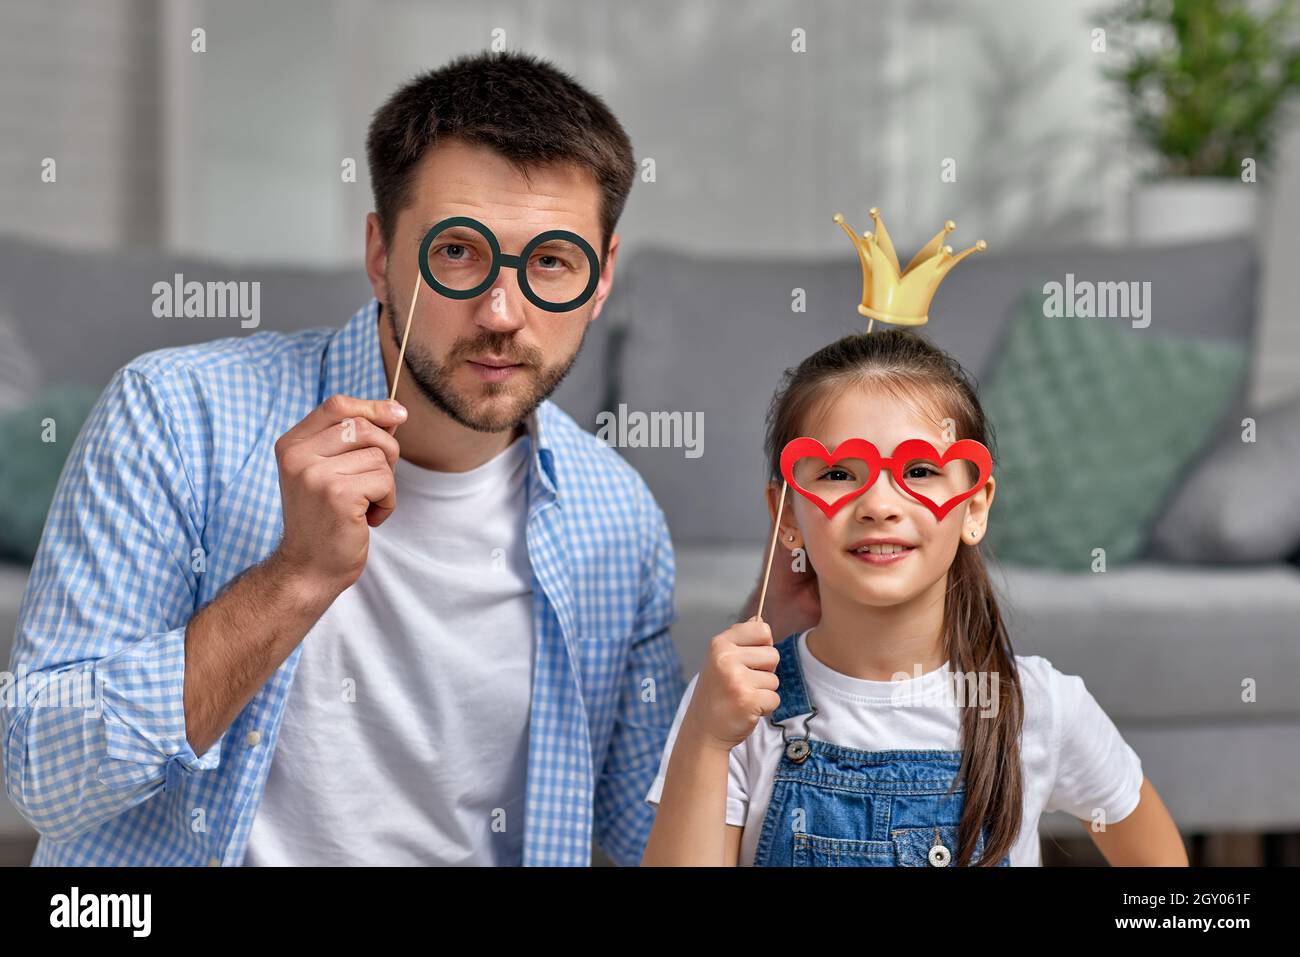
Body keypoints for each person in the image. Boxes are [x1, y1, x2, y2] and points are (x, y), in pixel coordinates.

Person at [3, 50, 805, 867]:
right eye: (458, 252)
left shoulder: (616, 515)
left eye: (552, 262)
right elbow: (44, 778)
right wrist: (295, 577)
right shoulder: (177, 415)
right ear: (382, 254)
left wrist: (777, 636)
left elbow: (654, 836)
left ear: (599, 280)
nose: (502, 312)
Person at [642, 330, 1187, 866]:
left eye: (920, 471)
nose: (879, 504)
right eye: (837, 473)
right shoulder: (735, 705)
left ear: (974, 507)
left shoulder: (1041, 708)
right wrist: (708, 739)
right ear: (788, 517)